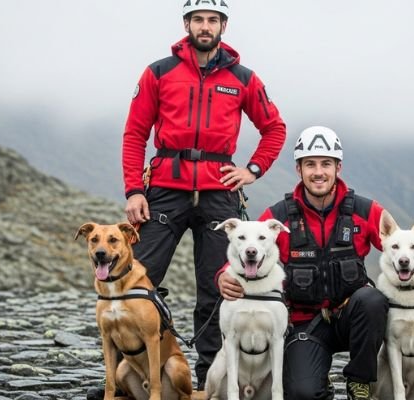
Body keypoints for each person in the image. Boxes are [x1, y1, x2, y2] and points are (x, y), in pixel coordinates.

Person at [118, 0, 287, 393]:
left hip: (218, 190)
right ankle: (131, 376)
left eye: (213, 20)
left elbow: (274, 128)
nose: (205, 26)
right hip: (164, 189)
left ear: (223, 25)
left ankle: (211, 381)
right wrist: (133, 190)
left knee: (217, 287)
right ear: (187, 24)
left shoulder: (243, 77)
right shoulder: (159, 72)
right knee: (138, 280)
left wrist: (253, 170)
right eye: (198, 19)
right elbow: (134, 133)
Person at [217, 126, 414, 400]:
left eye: (326, 164)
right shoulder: (278, 216)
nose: (318, 172)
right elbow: (247, 244)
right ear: (298, 169)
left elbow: (406, 244)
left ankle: (359, 382)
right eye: (310, 164)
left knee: (372, 300)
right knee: (302, 393)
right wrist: (223, 275)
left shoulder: (365, 210)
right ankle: (317, 380)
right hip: (304, 324)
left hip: (352, 318)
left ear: (338, 167)